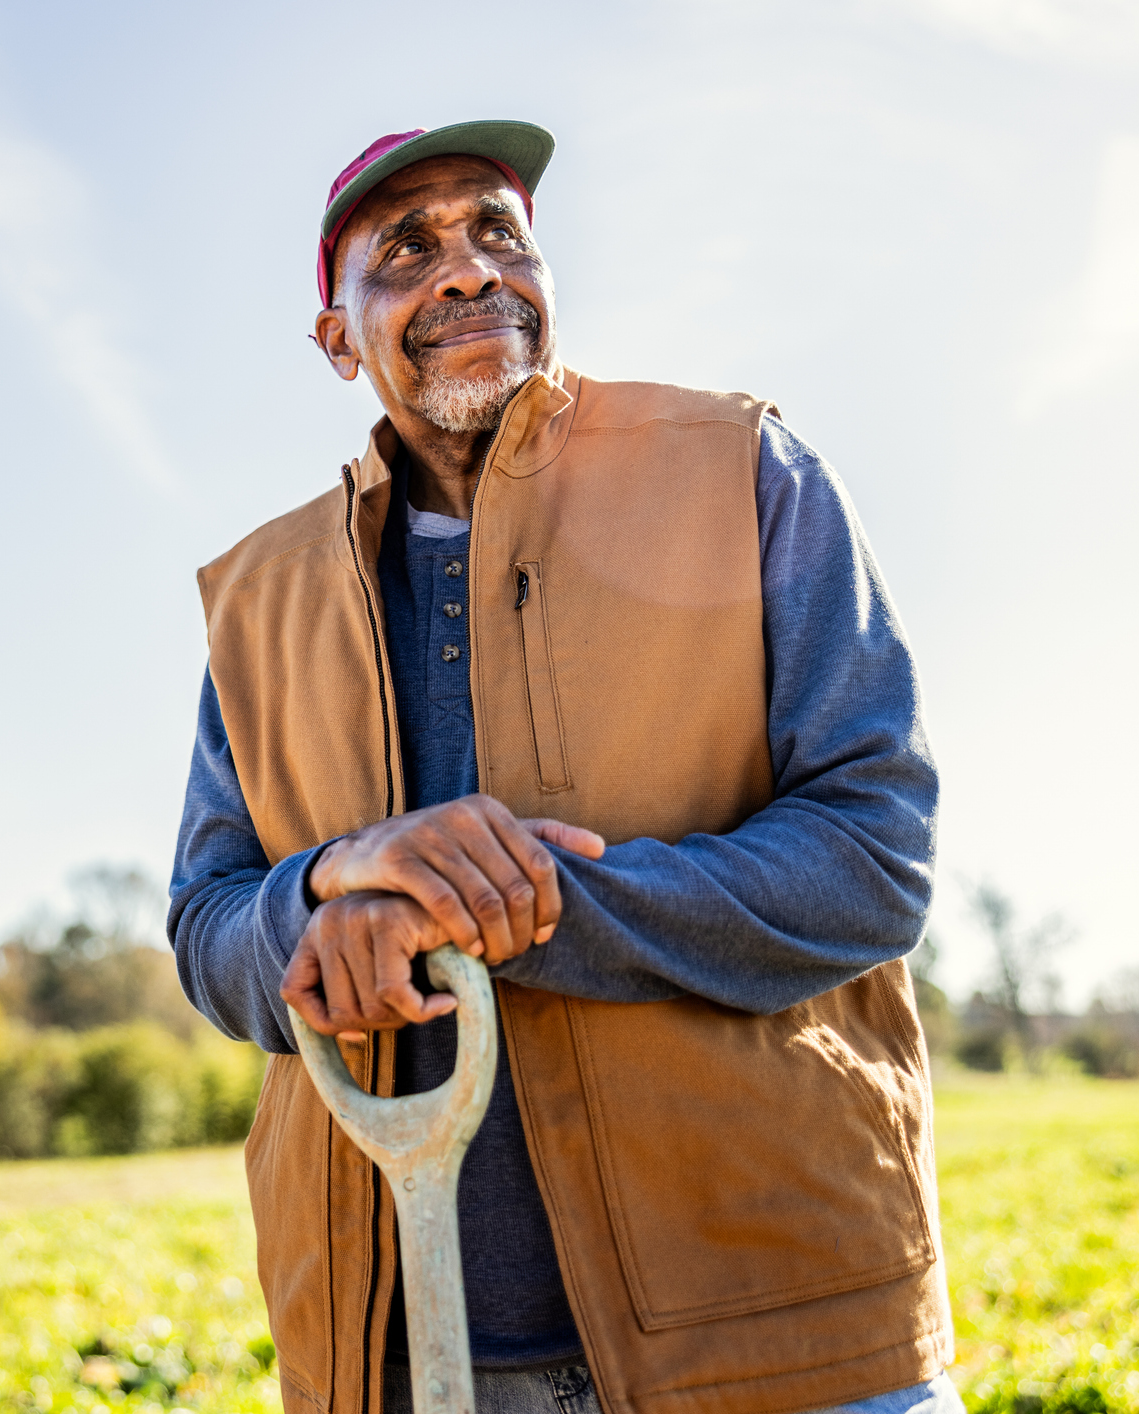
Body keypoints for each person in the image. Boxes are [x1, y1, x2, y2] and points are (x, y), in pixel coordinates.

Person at [168, 121, 961, 1414]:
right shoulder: (262, 601)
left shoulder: (744, 469)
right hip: (409, 1357)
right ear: (334, 336)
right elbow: (208, 923)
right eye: (407, 250)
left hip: (781, 1340)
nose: (469, 271)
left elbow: (875, 855)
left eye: (498, 232)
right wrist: (327, 892)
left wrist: (504, 906)